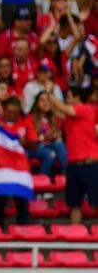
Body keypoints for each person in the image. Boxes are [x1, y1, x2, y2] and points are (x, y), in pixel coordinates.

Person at [47, 84, 98, 224]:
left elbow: (62, 108)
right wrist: (49, 97)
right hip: (73, 165)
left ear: (77, 98)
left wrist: (50, 93)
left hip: (90, 163)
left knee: (96, 202)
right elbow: (57, 111)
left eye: (68, 97)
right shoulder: (71, 117)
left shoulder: (86, 109)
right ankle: (75, 233)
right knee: (74, 204)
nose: (66, 99)